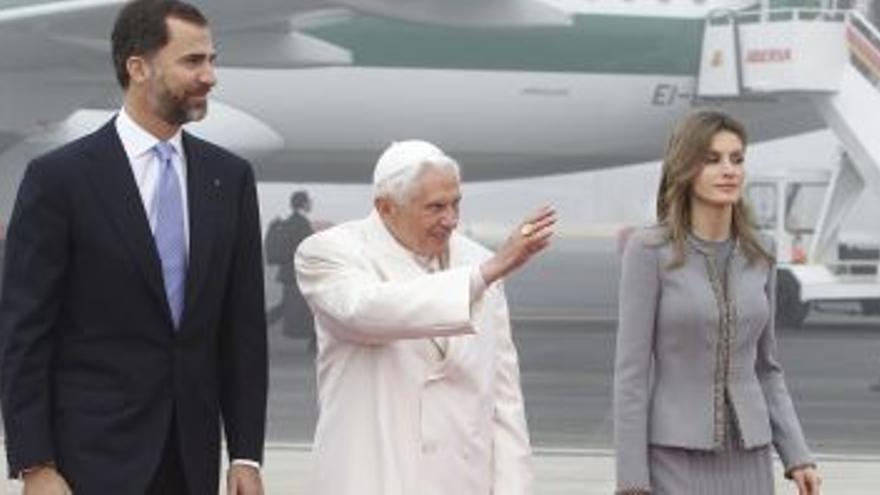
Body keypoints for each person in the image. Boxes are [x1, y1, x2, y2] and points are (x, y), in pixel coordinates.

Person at [0, 1, 267, 494]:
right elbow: (25, 332)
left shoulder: (228, 179)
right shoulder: (60, 179)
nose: (209, 76)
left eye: (212, 59)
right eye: (192, 61)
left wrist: (246, 453)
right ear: (138, 68)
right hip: (88, 460)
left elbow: (243, 329)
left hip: (190, 460)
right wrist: (35, 463)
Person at [295, 140, 555, 495]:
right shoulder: (328, 253)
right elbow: (365, 312)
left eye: (455, 204)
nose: (450, 220)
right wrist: (482, 276)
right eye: (435, 207)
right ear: (386, 208)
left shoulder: (476, 260)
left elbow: (503, 401)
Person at [613, 111, 821, 495]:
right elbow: (631, 375)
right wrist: (631, 481)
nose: (729, 170)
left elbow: (767, 368)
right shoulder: (648, 250)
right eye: (713, 160)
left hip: (750, 455)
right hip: (674, 456)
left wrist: (797, 454)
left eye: (737, 159)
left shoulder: (762, 252)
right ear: (685, 168)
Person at [266, 190, 315, 347]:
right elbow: (306, 249)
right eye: (309, 201)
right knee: (312, 306)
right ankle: (314, 342)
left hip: (290, 274)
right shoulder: (302, 224)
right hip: (298, 274)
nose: (311, 204)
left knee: (286, 307)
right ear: (303, 203)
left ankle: (314, 342)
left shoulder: (290, 222)